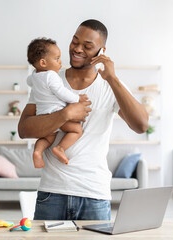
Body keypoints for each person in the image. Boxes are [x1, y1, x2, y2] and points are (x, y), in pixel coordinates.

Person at [18, 19, 149, 220]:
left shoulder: (110, 86)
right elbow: (24, 129)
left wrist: (112, 78)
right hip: (52, 193)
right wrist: (65, 114)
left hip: (94, 195)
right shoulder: (49, 78)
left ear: (101, 51)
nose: (77, 49)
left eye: (87, 46)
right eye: (74, 41)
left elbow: (141, 125)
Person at [26, 38, 87, 168]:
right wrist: (77, 99)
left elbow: (28, 82)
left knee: (47, 139)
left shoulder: (34, 76)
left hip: (42, 115)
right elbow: (61, 92)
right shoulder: (51, 76)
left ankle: (37, 151)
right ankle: (60, 148)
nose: (60, 62)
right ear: (43, 62)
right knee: (77, 130)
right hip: (56, 112)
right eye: (57, 59)